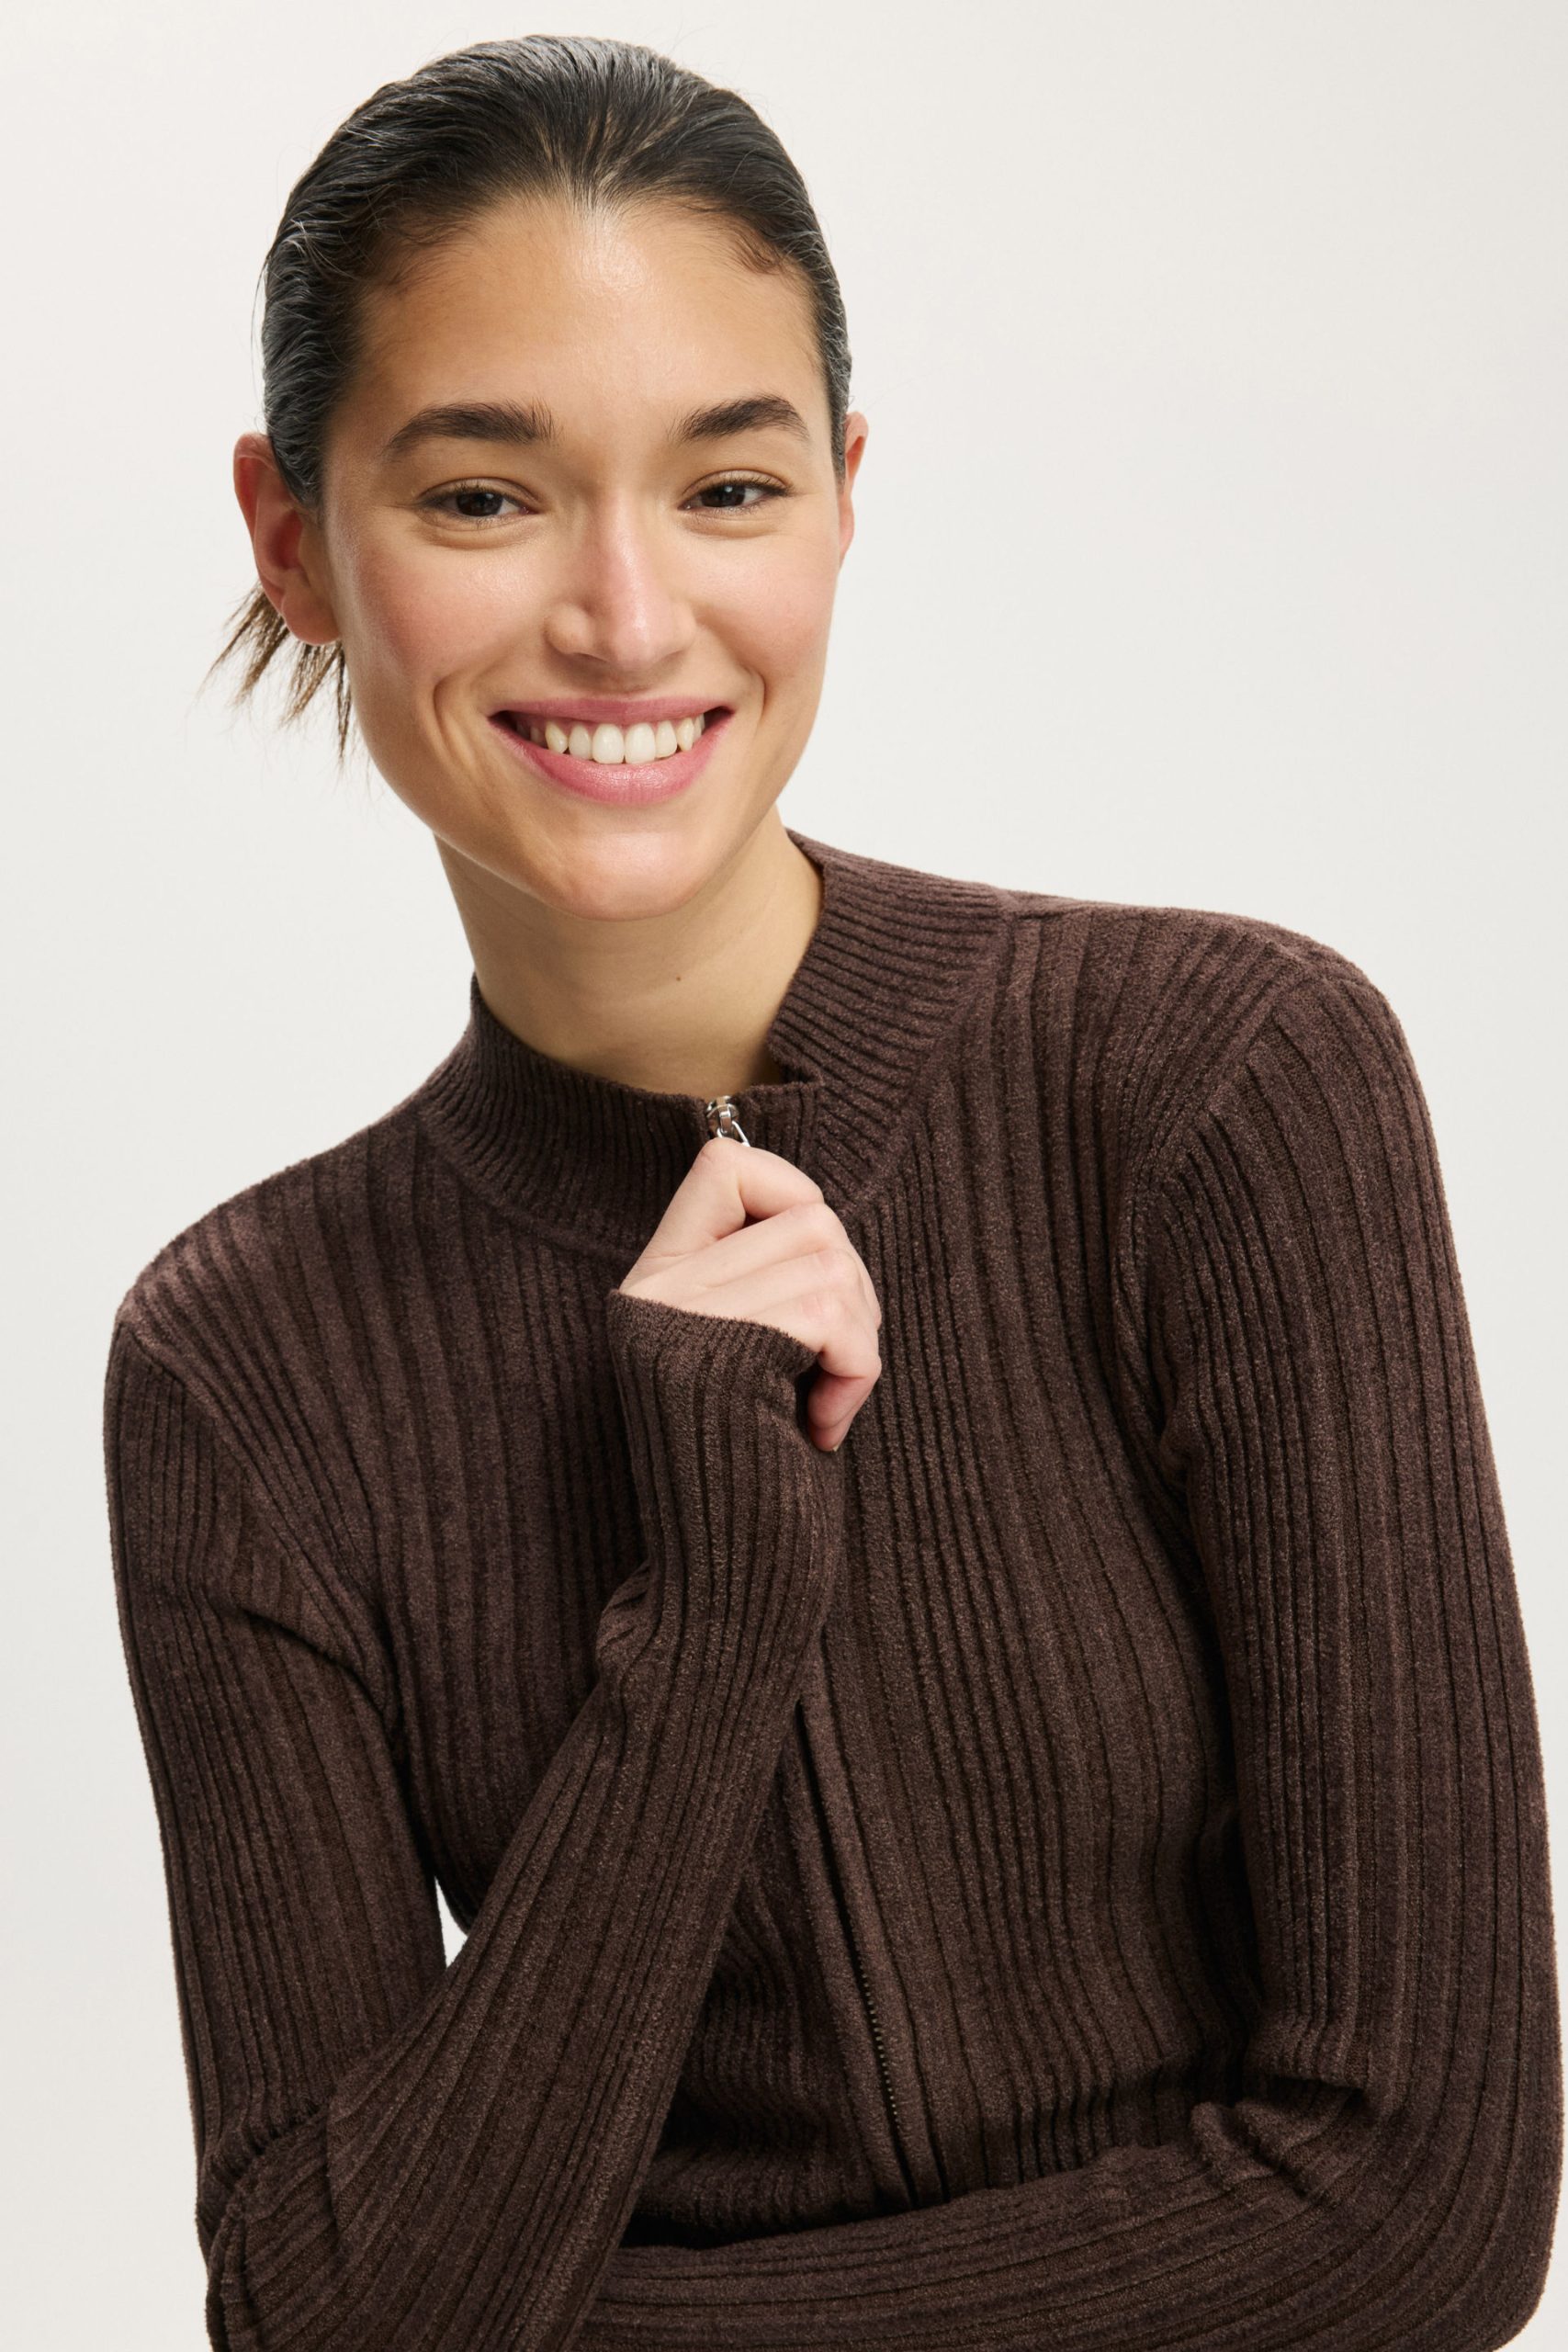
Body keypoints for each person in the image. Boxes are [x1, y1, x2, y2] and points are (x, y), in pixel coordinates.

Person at [102, 33, 1562, 2352]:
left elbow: (1421, 2203)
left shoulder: (1212, 1087)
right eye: (482, 496)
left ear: (842, 500)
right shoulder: (247, 1367)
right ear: (292, 540)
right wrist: (706, 1618)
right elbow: (325, 2313)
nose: (623, 615)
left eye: (726, 486)